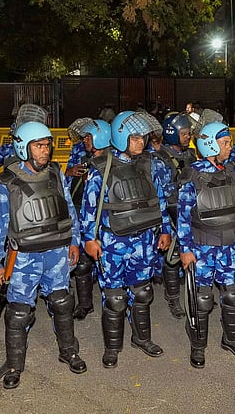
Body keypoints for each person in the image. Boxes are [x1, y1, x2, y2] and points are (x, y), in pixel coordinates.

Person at [0, 121, 86, 389]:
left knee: (62, 302)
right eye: (39, 146)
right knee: (19, 312)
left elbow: (69, 210)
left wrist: (74, 241)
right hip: (22, 257)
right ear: (23, 148)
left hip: (56, 251)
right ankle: (13, 365)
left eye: (47, 145)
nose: (45, 151)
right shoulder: (7, 181)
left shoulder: (56, 173)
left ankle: (69, 351)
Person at [80, 110, 172, 368]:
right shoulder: (101, 168)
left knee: (142, 293)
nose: (140, 143)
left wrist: (165, 230)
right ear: (121, 139)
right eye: (134, 138)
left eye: (142, 138)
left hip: (144, 240)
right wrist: (90, 239)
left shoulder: (149, 165)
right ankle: (112, 347)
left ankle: (142, 339)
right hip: (112, 243)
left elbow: (159, 200)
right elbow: (88, 208)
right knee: (114, 298)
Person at [177, 122, 235, 368]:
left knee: (233, 294)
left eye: (229, 142)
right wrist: (185, 249)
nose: (230, 147)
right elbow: (182, 217)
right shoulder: (192, 175)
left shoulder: (233, 170)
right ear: (210, 145)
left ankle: (232, 340)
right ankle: (198, 347)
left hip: (231, 244)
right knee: (202, 299)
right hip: (202, 247)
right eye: (225, 143)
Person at [151, 113, 198, 319]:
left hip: (191, 212)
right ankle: (173, 298)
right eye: (184, 133)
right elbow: (160, 192)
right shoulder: (159, 159)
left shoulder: (190, 155)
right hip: (170, 213)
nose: (188, 136)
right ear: (172, 134)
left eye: (189, 133)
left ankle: (194, 293)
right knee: (172, 258)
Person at [66, 119, 111, 320]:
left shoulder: (114, 158)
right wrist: (70, 172)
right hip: (81, 212)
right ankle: (85, 304)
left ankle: (112, 310)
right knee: (82, 263)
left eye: (88, 137)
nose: (84, 140)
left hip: (107, 218)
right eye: (84, 137)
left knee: (107, 265)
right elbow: (64, 183)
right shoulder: (79, 153)